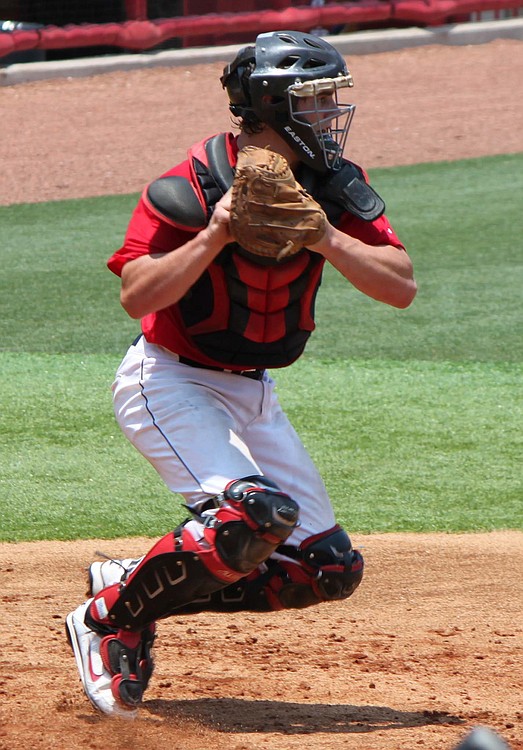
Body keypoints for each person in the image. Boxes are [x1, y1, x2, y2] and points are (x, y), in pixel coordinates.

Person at [66, 29, 417, 718]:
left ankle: (136, 581)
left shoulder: (335, 188)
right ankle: (110, 621)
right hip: (170, 381)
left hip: (253, 392)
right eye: (317, 101)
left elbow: (400, 286)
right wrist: (216, 233)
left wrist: (321, 233)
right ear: (272, 105)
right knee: (248, 517)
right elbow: (138, 297)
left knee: (325, 570)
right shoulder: (189, 185)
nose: (331, 114)